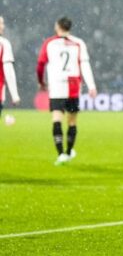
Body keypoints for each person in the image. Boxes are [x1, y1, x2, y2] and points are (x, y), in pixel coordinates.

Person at [36, 17, 97, 165]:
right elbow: (85, 65)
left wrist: (41, 82)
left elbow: (40, 64)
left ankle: (60, 154)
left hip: (56, 84)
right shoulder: (78, 43)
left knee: (57, 118)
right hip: (73, 85)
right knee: (72, 121)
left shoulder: (49, 43)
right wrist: (91, 85)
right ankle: (69, 152)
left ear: (57, 26)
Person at [0, 16, 21, 121]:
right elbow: (8, 70)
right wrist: (14, 94)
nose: (3, 27)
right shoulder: (3, 43)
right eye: (1, 23)